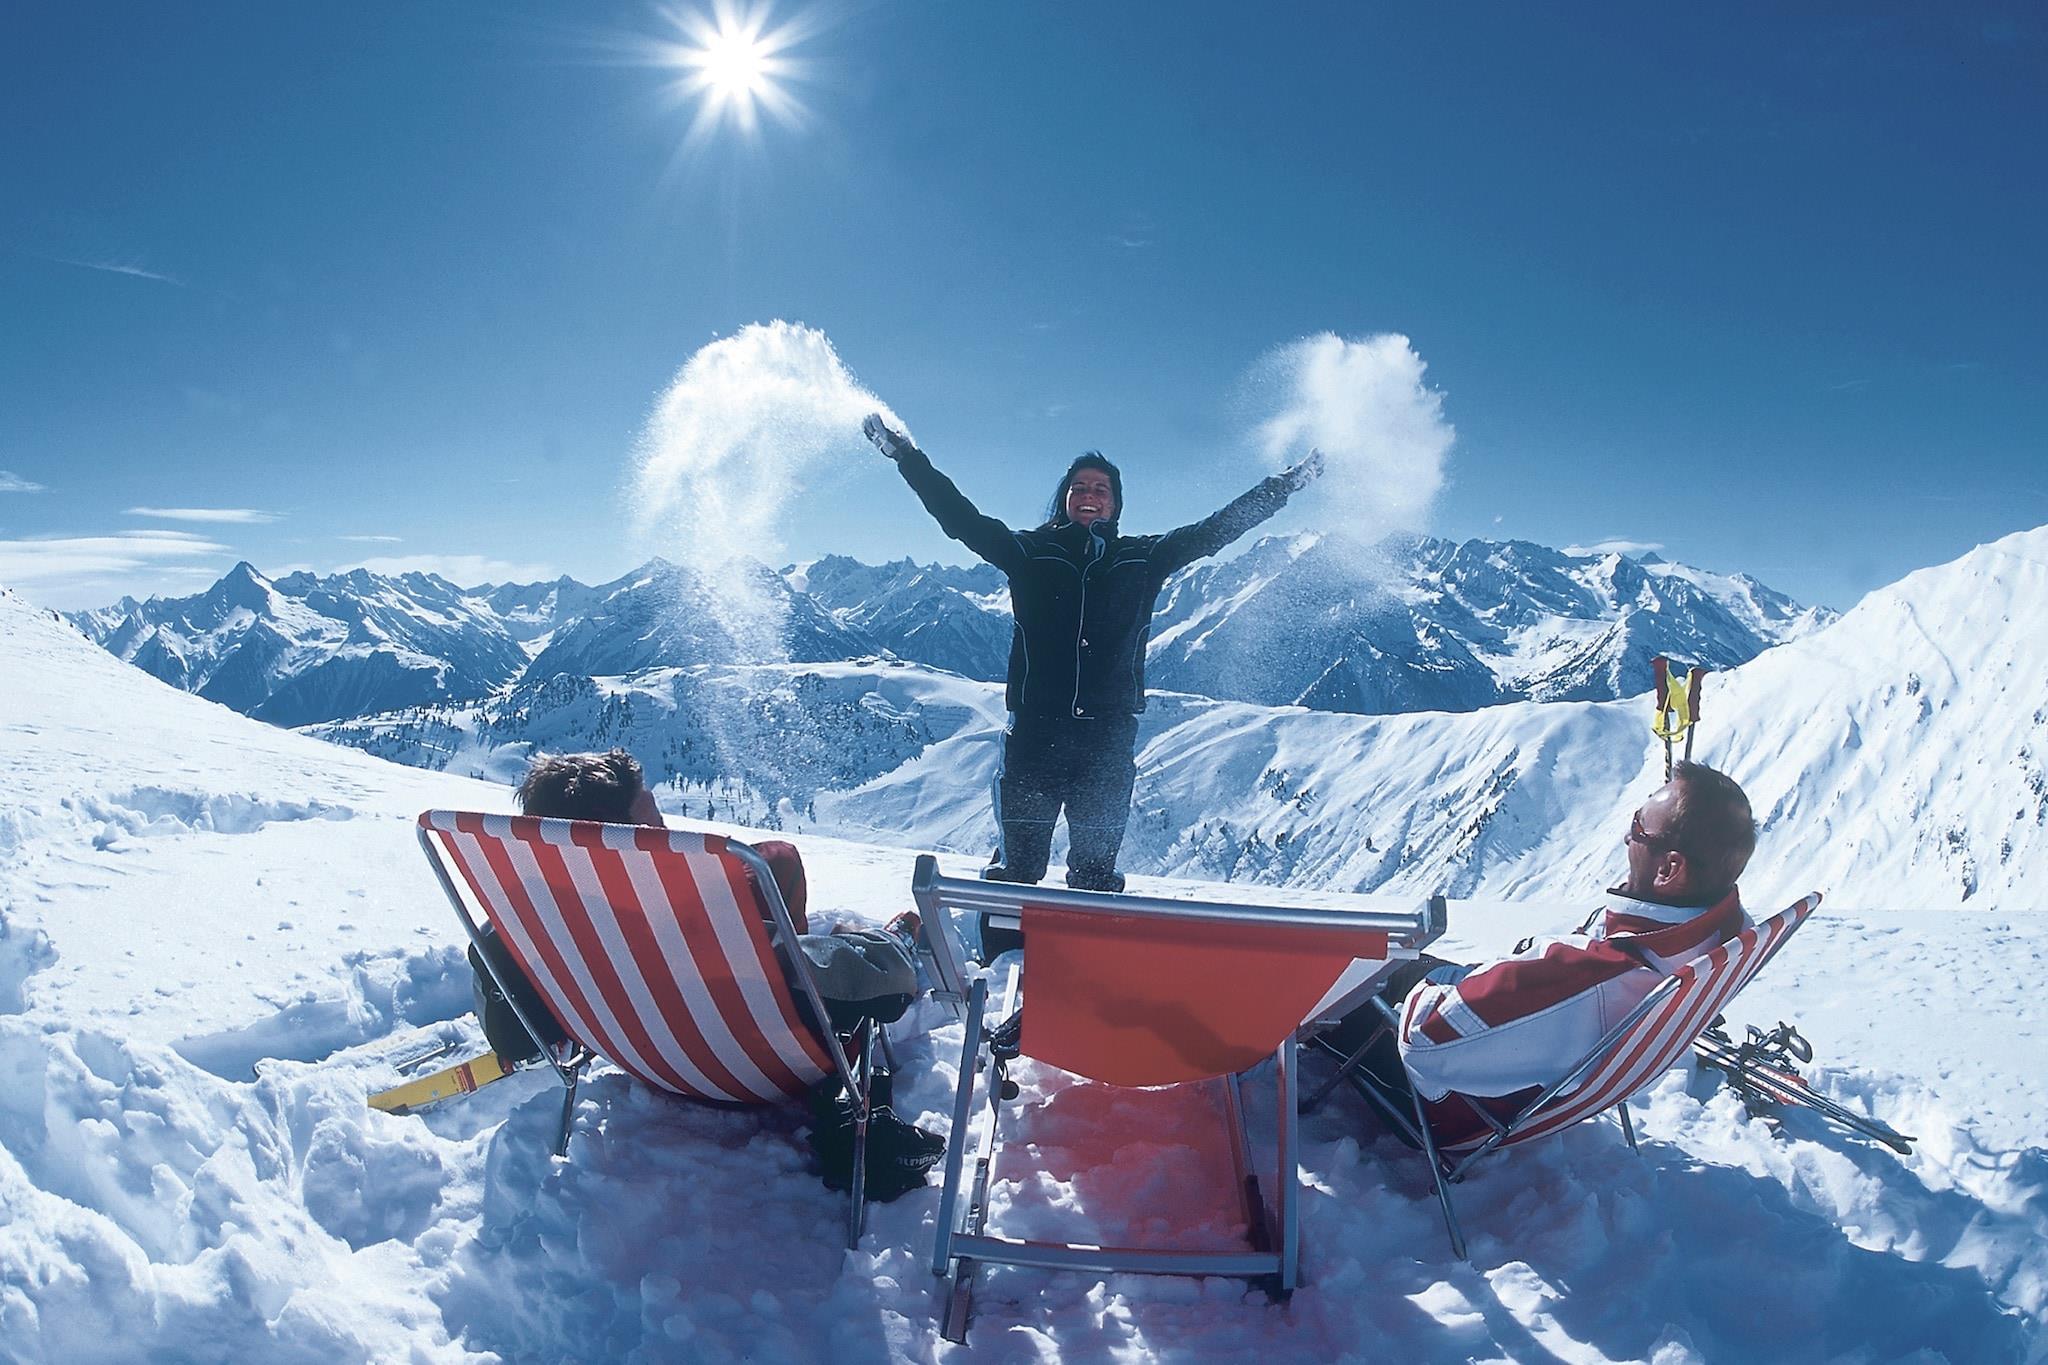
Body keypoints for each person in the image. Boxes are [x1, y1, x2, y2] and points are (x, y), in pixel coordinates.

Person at [864, 413, 1323, 902]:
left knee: (1095, 875)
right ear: (1064, 499)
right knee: (1017, 867)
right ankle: (998, 944)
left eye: (1101, 489)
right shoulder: (1028, 552)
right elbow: (960, 519)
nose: (1090, 495)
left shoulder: (1143, 558)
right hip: (1035, 739)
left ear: (1116, 503)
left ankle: (1082, 947)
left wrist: (1286, 485)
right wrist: (907, 457)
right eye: (1079, 487)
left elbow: (1219, 529)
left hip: (1106, 743)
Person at [469, 749, 940, 1194]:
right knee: (805, 899)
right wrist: (879, 945)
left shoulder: (542, 926)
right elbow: (886, 981)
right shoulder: (706, 930)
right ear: (619, 848)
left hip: (643, 1055)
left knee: (773, 859)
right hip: (762, 1066)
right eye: (653, 826)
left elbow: (516, 1035)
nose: (667, 833)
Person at [1328, 761, 1759, 1148]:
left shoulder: (1595, 977)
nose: (1628, 836)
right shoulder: (1713, 935)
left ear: (1669, 869)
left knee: (1339, 978)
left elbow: (1423, 1039)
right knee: (1399, 963)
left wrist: (1430, 986)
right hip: (1531, 1069)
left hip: (1447, 1108)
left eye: (1639, 827)